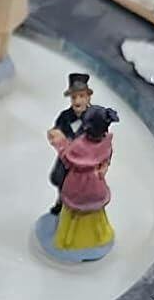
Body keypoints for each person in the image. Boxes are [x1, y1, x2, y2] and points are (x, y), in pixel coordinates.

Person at [47, 104, 119, 258]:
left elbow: (68, 159)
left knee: (74, 211)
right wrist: (104, 166)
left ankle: (68, 240)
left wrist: (59, 142)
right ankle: (98, 236)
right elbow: (106, 156)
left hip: (78, 184)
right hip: (95, 183)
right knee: (95, 211)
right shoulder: (106, 141)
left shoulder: (80, 145)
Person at [49, 73, 94, 215]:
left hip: (83, 163)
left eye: (81, 96)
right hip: (66, 160)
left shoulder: (95, 118)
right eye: (74, 97)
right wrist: (56, 136)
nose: (77, 101)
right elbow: (56, 131)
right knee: (61, 180)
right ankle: (60, 201)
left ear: (88, 97)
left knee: (79, 188)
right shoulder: (65, 116)